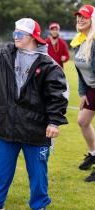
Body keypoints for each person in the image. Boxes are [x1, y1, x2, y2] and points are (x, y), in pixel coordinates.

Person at [0, 11, 68, 210]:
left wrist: (54, 121)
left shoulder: (48, 65)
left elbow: (57, 96)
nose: (15, 36)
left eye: (20, 34)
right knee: (1, 170)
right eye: (15, 32)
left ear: (32, 37)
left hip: (36, 128)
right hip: (7, 125)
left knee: (38, 172)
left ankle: (39, 205)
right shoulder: (4, 56)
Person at [70, 4, 95, 182]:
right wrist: (82, 92)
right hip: (91, 89)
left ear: (92, 20)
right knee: (82, 121)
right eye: (78, 16)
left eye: (84, 16)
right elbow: (80, 71)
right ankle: (93, 153)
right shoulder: (79, 41)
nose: (80, 19)